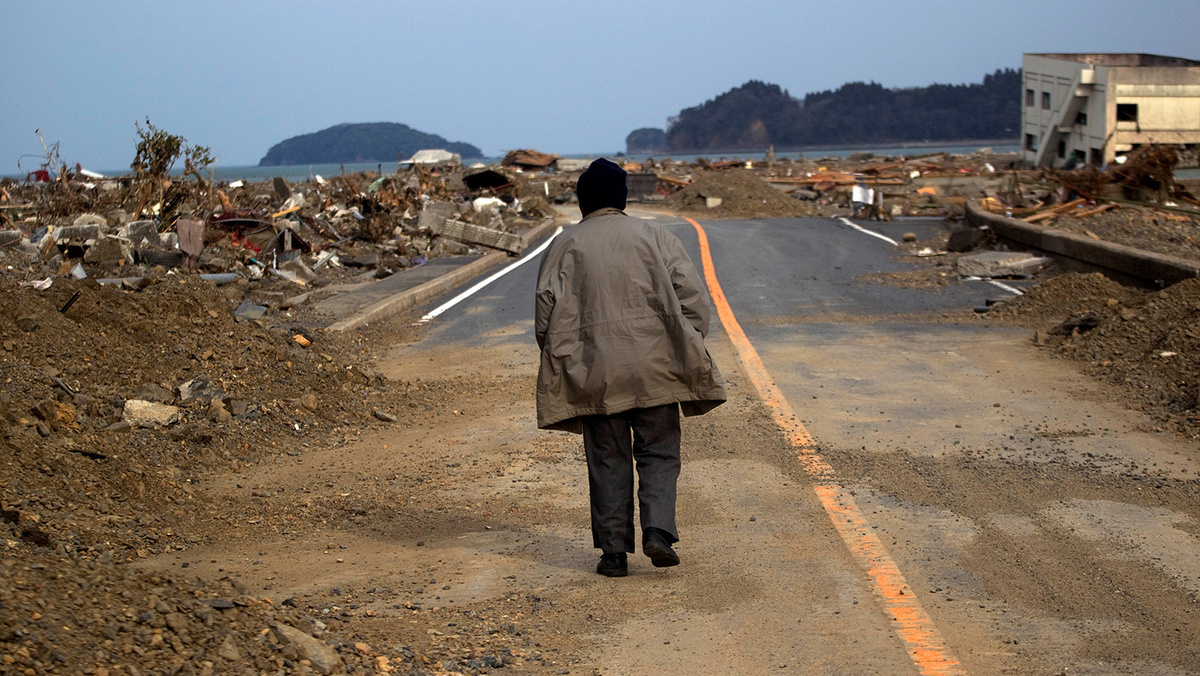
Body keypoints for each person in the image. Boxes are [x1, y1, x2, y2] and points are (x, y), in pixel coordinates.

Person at [534, 158, 727, 577]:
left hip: (594, 374)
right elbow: (693, 300)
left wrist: (563, 363)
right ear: (622, 199)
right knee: (659, 451)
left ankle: (613, 554)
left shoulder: (564, 245)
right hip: (656, 367)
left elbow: (545, 317)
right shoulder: (655, 236)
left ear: (583, 202)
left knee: (607, 458)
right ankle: (658, 531)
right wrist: (683, 343)